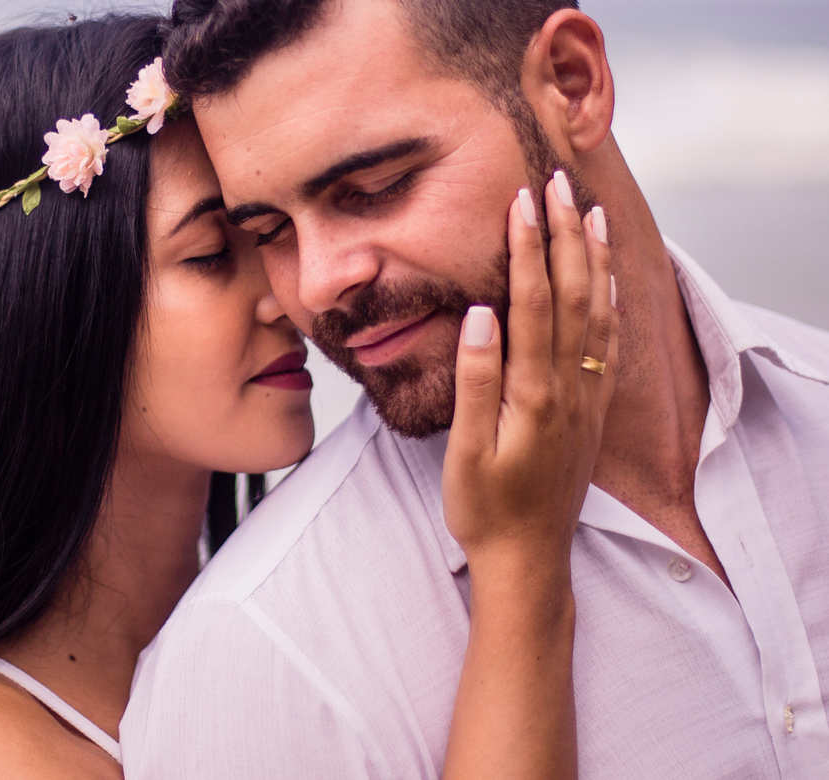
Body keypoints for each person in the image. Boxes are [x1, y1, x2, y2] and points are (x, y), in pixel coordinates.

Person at [0, 13, 615, 780]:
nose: (295, 291)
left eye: (263, 237)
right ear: (47, 310)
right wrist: (519, 570)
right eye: (207, 255)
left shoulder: (305, 607)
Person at [119, 0, 829, 777]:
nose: (318, 286)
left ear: (573, 83)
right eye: (269, 233)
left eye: (375, 186)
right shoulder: (260, 657)